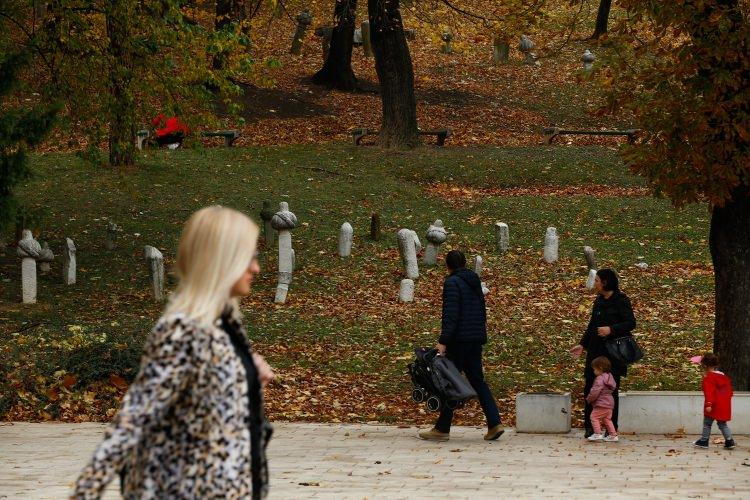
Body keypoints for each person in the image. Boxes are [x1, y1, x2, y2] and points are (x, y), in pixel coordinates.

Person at [73, 206, 275, 499]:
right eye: (249, 257)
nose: (256, 268)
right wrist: (84, 493)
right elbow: (132, 421)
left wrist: (248, 377)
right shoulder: (183, 330)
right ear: (222, 260)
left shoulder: (224, 327)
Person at [418, 250, 503, 442]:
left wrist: (443, 341)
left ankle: (442, 428)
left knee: (450, 382)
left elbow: (451, 315)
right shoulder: (474, 282)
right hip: (475, 338)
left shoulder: (452, 283)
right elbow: (481, 311)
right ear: (464, 263)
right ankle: (494, 422)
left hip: (458, 341)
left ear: (448, 265)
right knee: (478, 381)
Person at [569, 268, 635, 438]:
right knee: (590, 387)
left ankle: (611, 428)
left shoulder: (621, 300)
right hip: (596, 351)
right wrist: (582, 345)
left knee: (610, 389)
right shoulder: (598, 301)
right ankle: (591, 426)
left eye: (597, 280)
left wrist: (611, 330)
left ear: (605, 282)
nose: (595, 283)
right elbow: (592, 325)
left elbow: (630, 323)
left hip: (613, 353)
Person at [692, 353, 736, 449]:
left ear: (704, 365)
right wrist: (724, 401)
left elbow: (709, 393)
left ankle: (704, 441)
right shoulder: (723, 377)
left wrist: (709, 404)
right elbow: (730, 392)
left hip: (712, 405)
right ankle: (729, 441)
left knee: (707, 423)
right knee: (722, 424)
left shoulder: (709, 378)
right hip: (723, 404)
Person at [586, 356, 619, 442]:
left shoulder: (600, 379)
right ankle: (613, 435)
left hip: (601, 403)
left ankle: (597, 433)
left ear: (600, 368)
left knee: (593, 417)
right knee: (607, 419)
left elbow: (595, 391)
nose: (594, 372)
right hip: (610, 403)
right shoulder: (609, 377)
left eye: (594, 369)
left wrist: (589, 399)